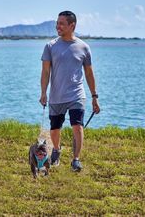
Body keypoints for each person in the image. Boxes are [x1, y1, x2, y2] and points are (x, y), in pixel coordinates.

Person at [40, 11, 100, 172]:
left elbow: (89, 73)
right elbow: (45, 72)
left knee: (77, 126)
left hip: (77, 95)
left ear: (72, 25)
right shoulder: (50, 46)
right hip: (56, 96)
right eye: (57, 23)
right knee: (54, 130)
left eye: (61, 23)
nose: (57, 26)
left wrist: (94, 96)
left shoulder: (84, 47)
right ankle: (57, 149)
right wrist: (43, 92)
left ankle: (76, 160)